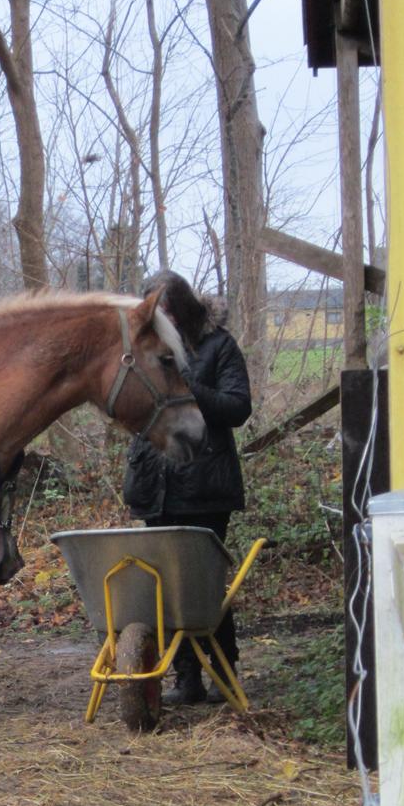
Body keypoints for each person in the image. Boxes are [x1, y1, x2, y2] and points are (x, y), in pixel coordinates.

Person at [122, 271, 252, 703]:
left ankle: (223, 672)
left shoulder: (218, 346)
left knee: (205, 583)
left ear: (180, 310)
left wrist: (186, 387)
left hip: (205, 485)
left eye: (164, 314)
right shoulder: (148, 348)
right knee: (164, 586)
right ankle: (186, 679)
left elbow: (238, 407)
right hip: (157, 486)